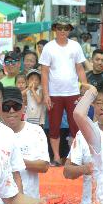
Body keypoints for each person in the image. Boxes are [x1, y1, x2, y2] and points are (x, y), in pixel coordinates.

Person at [39, 15, 88, 166]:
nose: (62, 31)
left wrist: (84, 86)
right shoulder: (48, 47)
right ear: (55, 30)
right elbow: (44, 72)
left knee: (76, 125)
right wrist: (46, 94)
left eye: (65, 28)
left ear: (69, 30)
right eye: (59, 28)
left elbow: (80, 68)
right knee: (54, 126)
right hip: (54, 93)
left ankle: (74, 157)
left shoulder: (75, 46)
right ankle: (56, 156)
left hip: (72, 91)